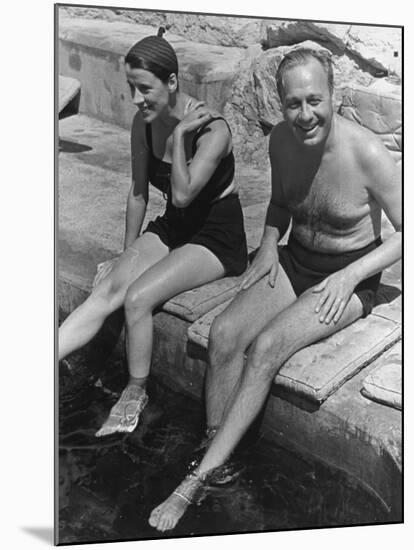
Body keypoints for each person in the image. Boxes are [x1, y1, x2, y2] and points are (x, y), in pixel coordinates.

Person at [149, 47, 402, 532]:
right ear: (280, 105)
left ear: (334, 97)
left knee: (265, 348)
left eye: (315, 100)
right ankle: (217, 448)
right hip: (295, 259)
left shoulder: (367, 153)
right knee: (224, 334)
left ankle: (195, 481)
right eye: (293, 104)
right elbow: (282, 203)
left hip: (346, 277)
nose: (305, 115)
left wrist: (351, 277)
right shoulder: (281, 142)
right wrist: (268, 246)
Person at [58, 28, 248, 437]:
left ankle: (135, 391)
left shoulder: (214, 131)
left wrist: (179, 136)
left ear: (173, 82)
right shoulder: (143, 124)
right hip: (175, 228)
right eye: (131, 87)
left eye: (144, 88)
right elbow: (138, 193)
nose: (135, 99)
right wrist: (126, 258)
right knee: (110, 287)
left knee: (138, 298)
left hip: (215, 237)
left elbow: (181, 195)